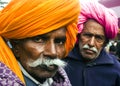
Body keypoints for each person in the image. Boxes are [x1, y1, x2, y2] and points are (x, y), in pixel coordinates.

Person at [0, 0, 80, 85]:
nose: (52, 53)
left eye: (59, 42)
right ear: (16, 47)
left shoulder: (61, 80)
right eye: (39, 40)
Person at [63, 1, 120, 86]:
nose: (91, 43)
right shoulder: (61, 61)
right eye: (87, 35)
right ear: (78, 36)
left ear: (105, 43)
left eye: (99, 38)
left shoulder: (116, 68)